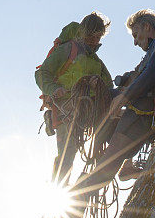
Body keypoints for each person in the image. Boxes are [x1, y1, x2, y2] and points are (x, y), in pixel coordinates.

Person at [73, 9, 155, 195]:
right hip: (138, 114)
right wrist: (102, 94)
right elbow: (138, 78)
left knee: (106, 166)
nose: (135, 42)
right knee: (106, 165)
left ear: (147, 27)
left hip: (142, 114)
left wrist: (122, 97)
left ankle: (74, 200)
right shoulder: (154, 51)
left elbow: (151, 74)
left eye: (136, 35)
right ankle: (82, 193)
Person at [35, 12, 113, 181]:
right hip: (65, 110)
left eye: (98, 37)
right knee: (67, 154)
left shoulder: (96, 60)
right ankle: (57, 192)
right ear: (83, 32)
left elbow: (108, 86)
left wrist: (97, 84)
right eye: (91, 36)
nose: (94, 41)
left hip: (86, 111)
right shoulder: (68, 49)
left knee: (113, 130)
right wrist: (54, 89)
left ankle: (89, 181)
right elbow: (42, 73)